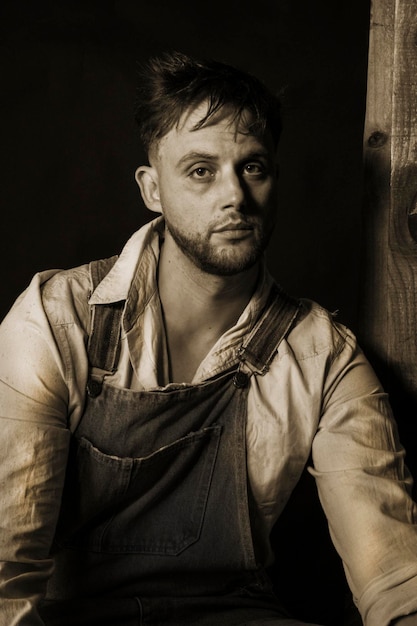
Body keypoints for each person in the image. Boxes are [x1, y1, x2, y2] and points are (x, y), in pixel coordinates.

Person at [0, 51, 417, 626]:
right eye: (201, 170)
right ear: (152, 188)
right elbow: (5, 571)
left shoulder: (322, 355)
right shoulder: (56, 319)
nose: (235, 198)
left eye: (253, 168)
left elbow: (396, 579)